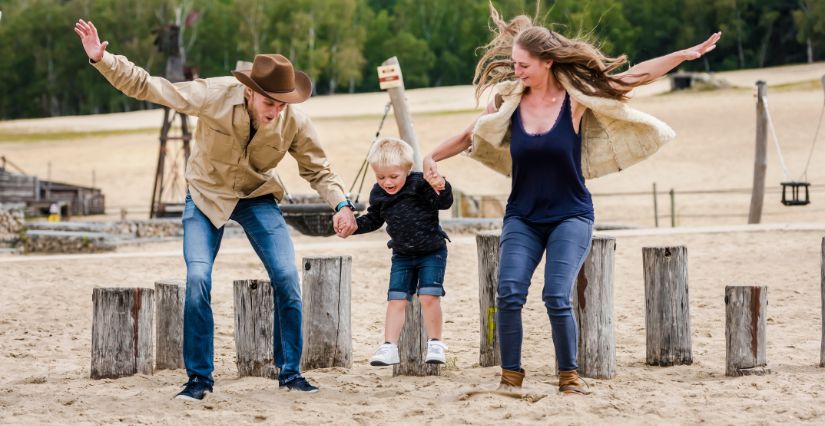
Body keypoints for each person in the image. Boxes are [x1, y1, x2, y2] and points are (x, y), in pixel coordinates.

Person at [423, 7, 720, 395]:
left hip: (571, 215)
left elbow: (634, 76)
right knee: (509, 292)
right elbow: (469, 135)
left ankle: (569, 376)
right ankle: (510, 376)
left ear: (547, 62)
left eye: (523, 65)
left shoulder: (575, 100)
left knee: (555, 294)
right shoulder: (508, 102)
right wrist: (430, 158)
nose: (516, 71)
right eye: (513, 64)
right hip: (523, 216)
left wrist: (682, 56)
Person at [74, 19, 359, 400]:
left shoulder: (293, 120)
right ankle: (199, 379)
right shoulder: (213, 95)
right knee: (198, 281)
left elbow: (318, 170)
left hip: (257, 195)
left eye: (281, 104)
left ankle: (290, 373)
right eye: (268, 103)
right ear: (249, 92)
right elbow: (151, 87)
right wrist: (103, 59)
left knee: (288, 278)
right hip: (206, 195)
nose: (275, 111)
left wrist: (340, 204)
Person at [338, 137, 452, 366]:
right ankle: (389, 346)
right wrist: (354, 227)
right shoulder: (378, 193)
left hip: (432, 251)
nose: (386, 182)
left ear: (407, 170)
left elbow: (444, 203)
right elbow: (374, 219)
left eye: (393, 176)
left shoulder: (420, 184)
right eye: (380, 177)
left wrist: (442, 185)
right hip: (402, 255)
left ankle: (436, 343)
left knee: (429, 296)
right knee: (396, 299)